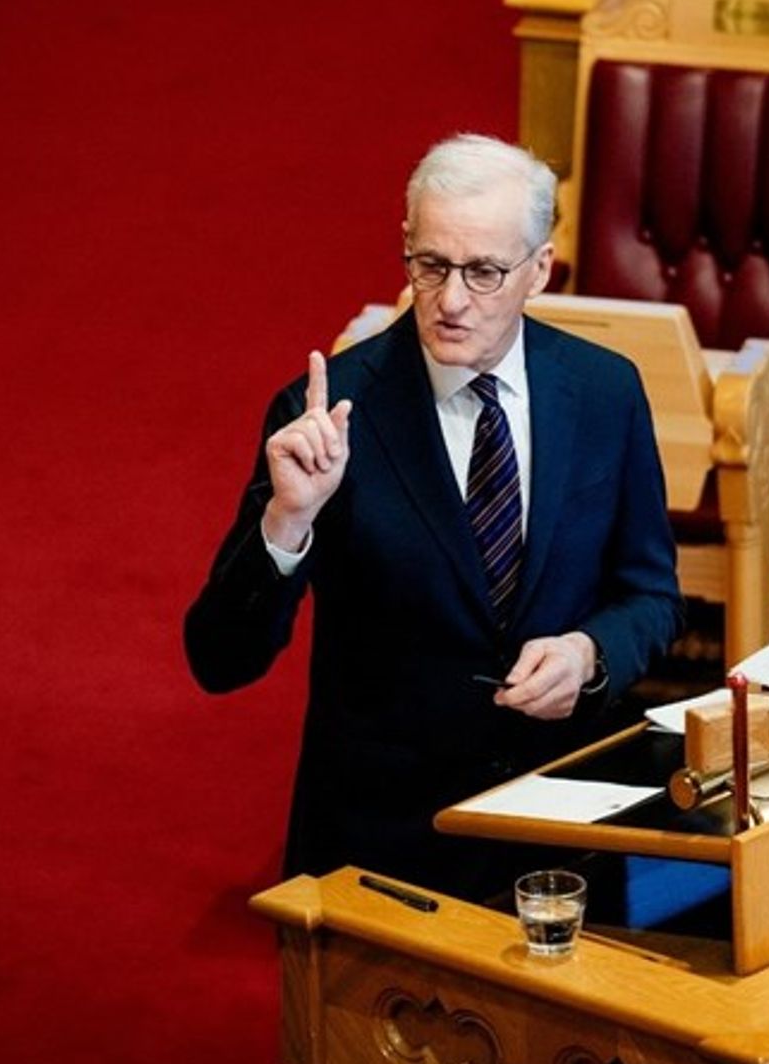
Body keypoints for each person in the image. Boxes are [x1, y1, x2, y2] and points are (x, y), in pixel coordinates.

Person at [184, 134, 681, 895]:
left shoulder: (605, 392)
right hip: (385, 846)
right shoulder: (328, 416)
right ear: (406, 251)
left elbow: (651, 595)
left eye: (484, 271)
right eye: (431, 265)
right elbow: (220, 659)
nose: (451, 301)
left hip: (564, 833)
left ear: (540, 270)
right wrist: (286, 522)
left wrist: (590, 654)